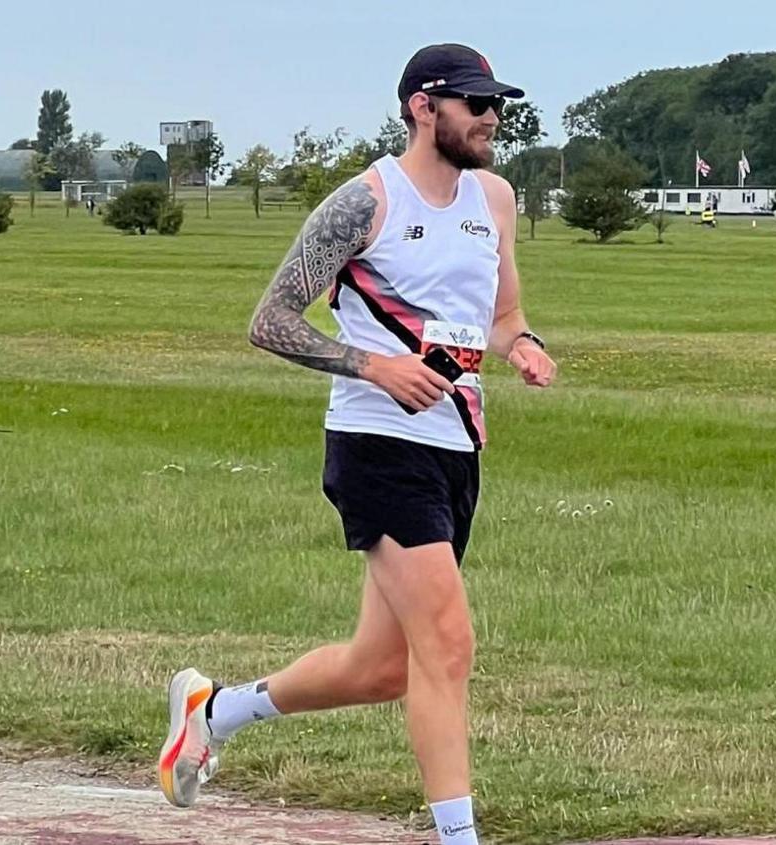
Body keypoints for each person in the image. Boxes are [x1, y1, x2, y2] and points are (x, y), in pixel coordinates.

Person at [156, 44, 555, 845]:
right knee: (448, 646)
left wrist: (524, 346)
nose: (490, 119)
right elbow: (269, 320)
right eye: (474, 103)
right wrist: (374, 365)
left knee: (382, 668)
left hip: (456, 447)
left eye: (496, 105)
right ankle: (458, 838)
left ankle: (215, 708)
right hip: (376, 442)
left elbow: (503, 314)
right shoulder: (364, 202)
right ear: (422, 107)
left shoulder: (497, 199)